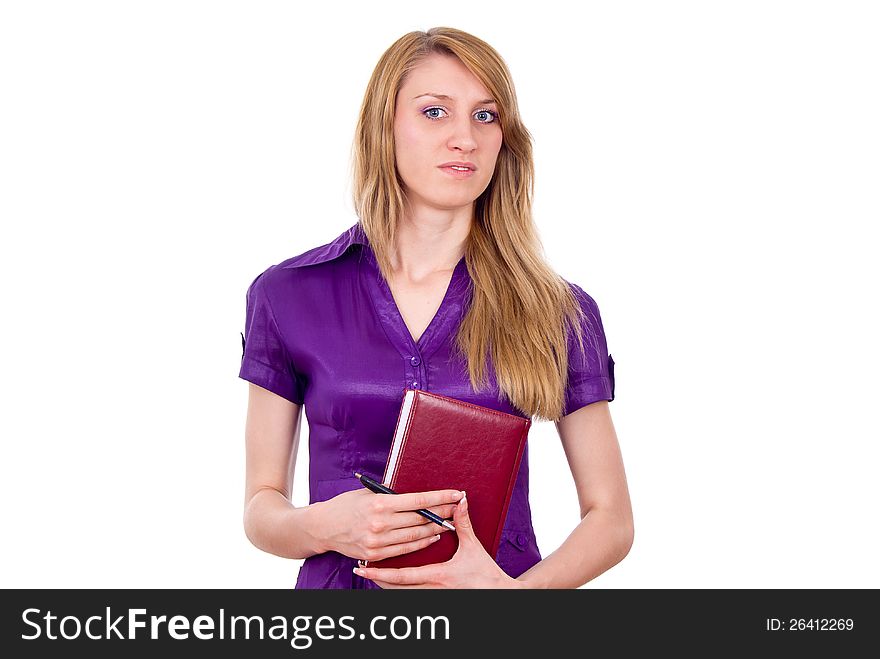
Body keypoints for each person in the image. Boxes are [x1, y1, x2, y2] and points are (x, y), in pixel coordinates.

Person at [238, 27, 633, 589]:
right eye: (434, 112)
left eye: (485, 116)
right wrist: (326, 525)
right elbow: (260, 508)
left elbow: (612, 517)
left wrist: (514, 597)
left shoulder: (560, 311)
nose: (464, 139)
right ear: (385, 129)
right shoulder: (288, 294)